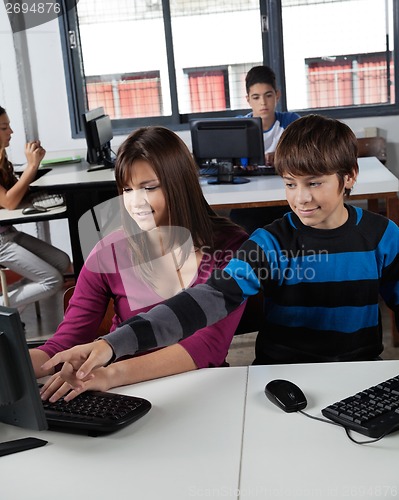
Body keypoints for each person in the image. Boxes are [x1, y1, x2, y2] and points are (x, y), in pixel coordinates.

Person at [40, 114, 399, 400]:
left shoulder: (384, 236)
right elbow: (207, 299)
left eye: (314, 183)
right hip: (281, 378)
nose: (301, 198)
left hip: (359, 374)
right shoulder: (268, 243)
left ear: (349, 177)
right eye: (290, 184)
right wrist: (110, 345)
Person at [33, 125, 248, 395]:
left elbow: (207, 347)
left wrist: (110, 374)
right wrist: (16, 364)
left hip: (201, 391)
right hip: (126, 392)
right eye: (127, 190)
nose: (135, 203)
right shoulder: (108, 253)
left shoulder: (231, 247)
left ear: (180, 184)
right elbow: (62, 345)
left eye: (149, 188)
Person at [0, 106, 71, 311]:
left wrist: (35, 165)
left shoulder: (2, 161)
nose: (11, 132)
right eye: (5, 127)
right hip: (1, 242)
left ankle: (13, 304)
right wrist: (32, 167)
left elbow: (17, 193)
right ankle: (4, 309)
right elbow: (9, 202)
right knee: (52, 281)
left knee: (62, 261)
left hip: (9, 233)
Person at [231, 65, 301, 233]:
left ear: (277, 95)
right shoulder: (239, 126)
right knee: (243, 220)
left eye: (268, 95)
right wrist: (240, 163)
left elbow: (306, 155)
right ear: (248, 100)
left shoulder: (291, 122)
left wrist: (281, 157)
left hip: (283, 196)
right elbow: (229, 161)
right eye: (256, 97)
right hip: (249, 197)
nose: (263, 103)